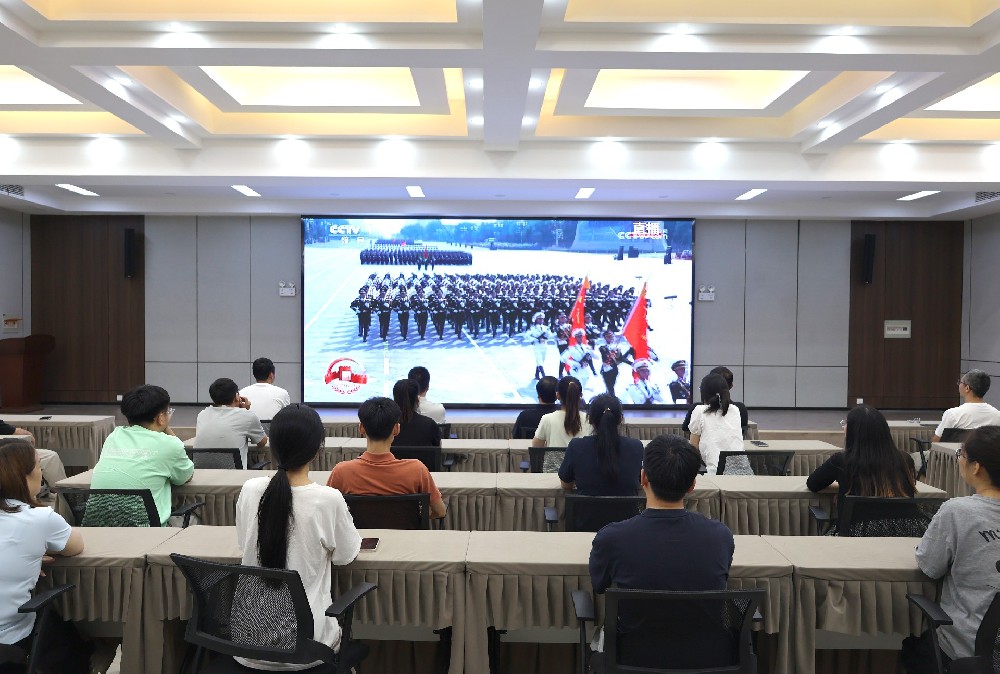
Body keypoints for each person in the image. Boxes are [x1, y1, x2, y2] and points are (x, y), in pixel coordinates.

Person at [589, 434, 735, 666]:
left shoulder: (611, 538)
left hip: (632, 659)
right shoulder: (721, 536)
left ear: (643, 477)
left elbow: (599, 586)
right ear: (692, 485)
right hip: (707, 659)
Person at [235, 404, 361, 670]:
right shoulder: (327, 499)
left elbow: (243, 543)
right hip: (307, 647)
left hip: (247, 642)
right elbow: (345, 556)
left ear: (273, 447)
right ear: (317, 451)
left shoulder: (250, 489)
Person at [901, 426, 1000, 673]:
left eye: (961, 455)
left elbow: (930, 566)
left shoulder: (958, 512)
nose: (959, 460)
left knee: (911, 649)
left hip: (967, 651)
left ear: (976, 467)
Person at [0, 439, 88, 673]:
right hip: (9, 642)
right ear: (25, 475)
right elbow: (74, 546)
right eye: (39, 466)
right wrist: (34, 549)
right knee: (74, 640)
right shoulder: (39, 519)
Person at [91, 385, 194, 526]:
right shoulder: (170, 444)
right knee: (195, 520)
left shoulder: (113, 436)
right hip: (147, 531)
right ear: (161, 418)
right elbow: (186, 476)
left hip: (102, 528)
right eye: (168, 412)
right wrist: (165, 427)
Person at [327, 397, 446, 519]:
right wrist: (416, 517)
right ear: (396, 429)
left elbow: (327, 513)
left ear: (361, 428)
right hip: (405, 532)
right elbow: (440, 511)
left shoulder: (342, 471)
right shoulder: (417, 470)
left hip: (358, 532)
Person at [807, 404, 916, 526]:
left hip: (857, 533)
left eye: (846, 424)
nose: (844, 427)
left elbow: (813, 484)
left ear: (853, 431)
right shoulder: (905, 459)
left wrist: (844, 490)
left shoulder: (842, 461)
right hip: (907, 531)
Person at [558, 394, 643, 496]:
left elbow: (566, 485)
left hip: (585, 507)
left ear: (590, 419)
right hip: (629, 507)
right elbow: (642, 483)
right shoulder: (636, 447)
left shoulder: (576, 446)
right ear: (620, 419)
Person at [194, 377, 268, 469]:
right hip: (234, 475)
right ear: (237, 396)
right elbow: (262, 442)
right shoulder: (247, 415)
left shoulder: (202, 414)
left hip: (202, 473)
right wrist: (245, 410)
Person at [688, 373, 747, 474]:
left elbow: (693, 448)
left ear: (704, 393)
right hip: (744, 472)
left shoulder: (700, 410)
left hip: (716, 476)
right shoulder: (735, 409)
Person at [932, 369, 1000, 442]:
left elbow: (936, 442)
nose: (958, 385)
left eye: (960, 382)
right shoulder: (997, 415)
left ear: (967, 388)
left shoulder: (953, 414)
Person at [681, 366, 749, 434]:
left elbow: (686, 429)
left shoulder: (697, 408)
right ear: (731, 386)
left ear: (706, 386)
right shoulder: (740, 408)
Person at [532, 376, 588, 448]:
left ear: (557, 395)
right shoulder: (589, 420)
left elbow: (536, 446)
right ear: (581, 396)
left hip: (554, 456)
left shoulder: (547, 419)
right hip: (580, 456)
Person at [391, 378, 441, 447]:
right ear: (417, 399)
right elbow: (436, 448)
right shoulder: (429, 425)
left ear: (394, 398)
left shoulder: (385, 425)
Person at [239, 357, 291, 423]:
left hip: (247, 429)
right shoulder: (282, 394)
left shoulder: (241, 393)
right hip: (273, 430)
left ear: (254, 374)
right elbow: (288, 420)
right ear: (271, 375)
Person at [524, 312, 554, 380]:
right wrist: (536, 339)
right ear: (536, 320)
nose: (541, 320)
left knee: (542, 361)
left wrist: (547, 336)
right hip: (537, 345)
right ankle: (544, 376)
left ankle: (536, 374)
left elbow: (550, 335)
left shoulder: (546, 328)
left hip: (544, 345)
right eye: (539, 319)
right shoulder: (532, 328)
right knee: (539, 360)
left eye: (542, 319)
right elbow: (526, 336)